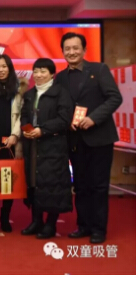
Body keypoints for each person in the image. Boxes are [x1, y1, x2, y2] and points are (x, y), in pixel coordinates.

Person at [55, 33, 122, 244]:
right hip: (75, 140)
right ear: (62, 52)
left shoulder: (99, 70)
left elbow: (115, 98)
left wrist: (94, 118)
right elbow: (61, 107)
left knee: (99, 186)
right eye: (67, 49)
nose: (72, 52)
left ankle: (98, 229)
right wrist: (66, 121)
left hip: (100, 138)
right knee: (81, 186)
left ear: (84, 50)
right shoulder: (60, 77)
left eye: (76, 48)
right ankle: (83, 225)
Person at [21, 58, 73, 239]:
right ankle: (36, 221)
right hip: (33, 146)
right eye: (36, 71)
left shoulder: (61, 93)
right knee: (34, 182)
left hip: (53, 146)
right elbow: (24, 116)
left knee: (53, 184)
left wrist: (42, 130)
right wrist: (26, 129)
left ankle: (50, 224)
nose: (38, 75)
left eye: (43, 71)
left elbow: (64, 119)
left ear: (52, 74)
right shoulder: (29, 94)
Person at [0, 54, 28, 232]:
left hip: (11, 142)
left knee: (8, 180)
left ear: (10, 68)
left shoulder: (19, 89)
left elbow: (22, 115)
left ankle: (5, 215)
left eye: (4, 66)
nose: (0, 70)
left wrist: (15, 135)